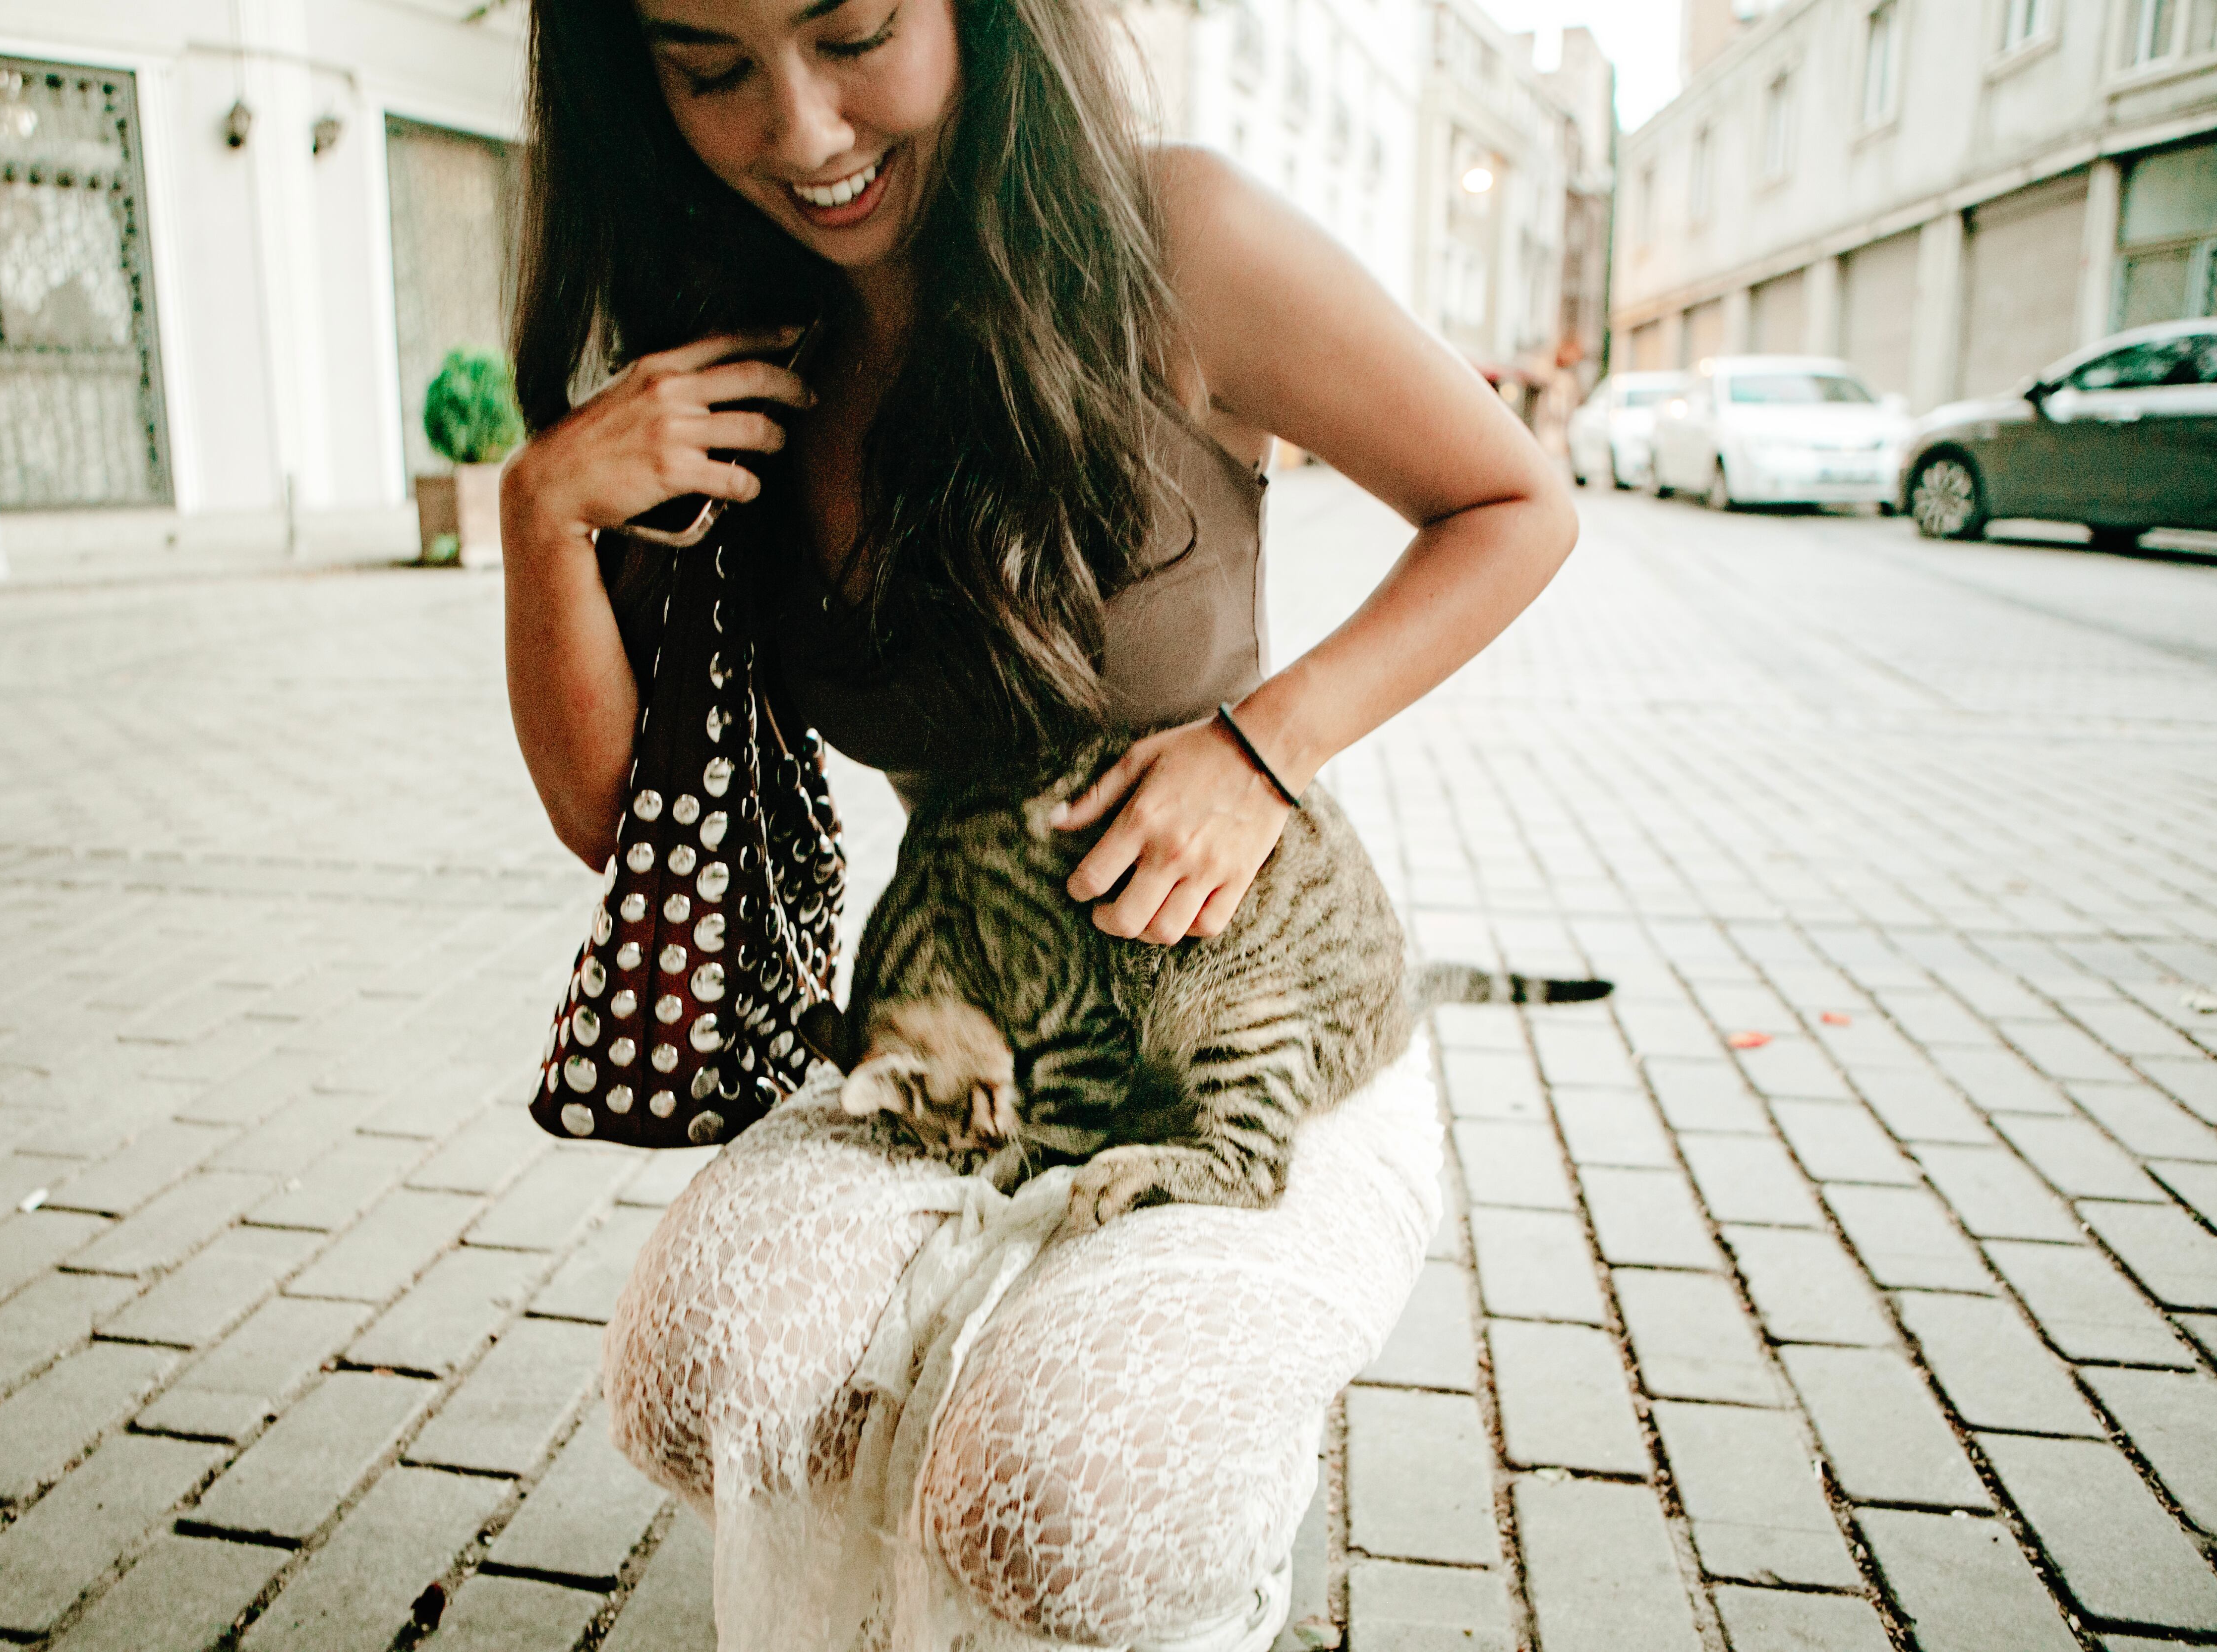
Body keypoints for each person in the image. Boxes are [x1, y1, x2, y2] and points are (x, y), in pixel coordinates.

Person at [497, 0, 1575, 1641]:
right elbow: (616, 817)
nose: (800, 129)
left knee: (1059, 1493)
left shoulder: (1175, 240)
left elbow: (1516, 505)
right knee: (697, 1364)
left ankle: (1188, 1515)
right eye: (710, 68)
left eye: (852, 29)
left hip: (1247, 1016)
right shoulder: (732, 344)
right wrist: (544, 514)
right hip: (984, 1028)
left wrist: (1262, 745)